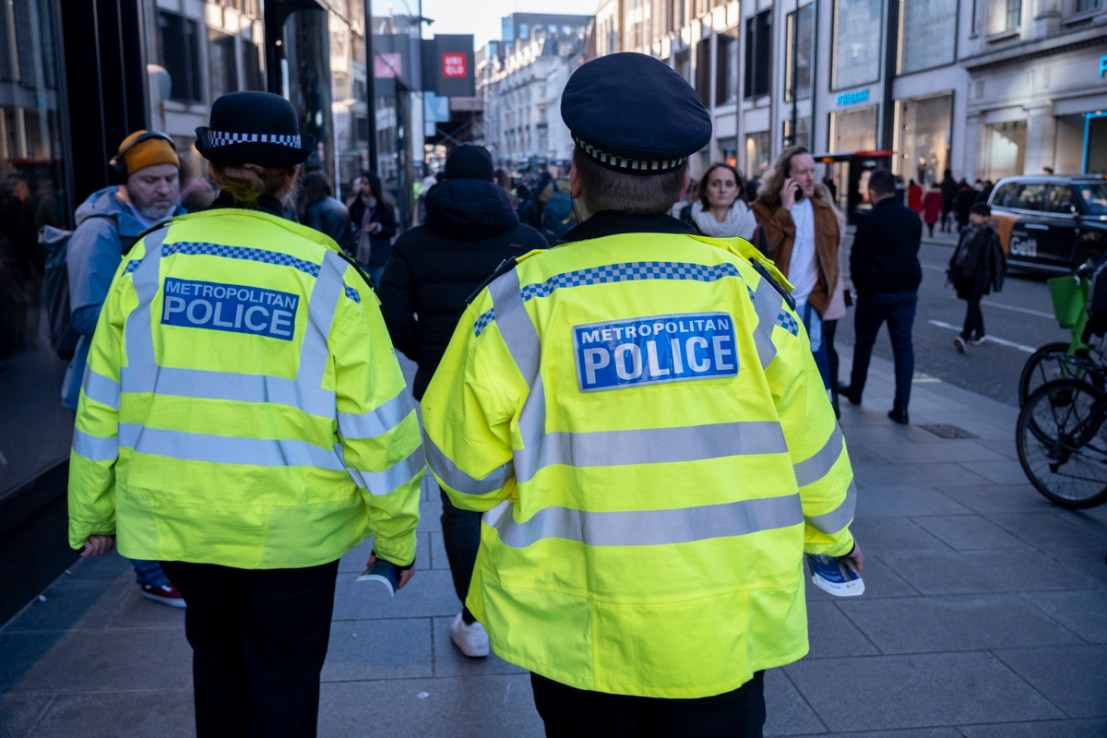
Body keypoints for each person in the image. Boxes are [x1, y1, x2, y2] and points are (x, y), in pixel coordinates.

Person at [421, 52, 861, 737]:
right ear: (683, 182)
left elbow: (463, 473)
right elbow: (813, 443)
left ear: (574, 177)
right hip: (722, 620)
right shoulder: (748, 294)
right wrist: (833, 535)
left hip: (579, 628)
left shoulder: (519, 302)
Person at [67, 91, 424, 737]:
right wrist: (395, 536)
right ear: (290, 176)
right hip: (293, 529)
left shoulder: (148, 259)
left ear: (210, 168)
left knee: (216, 661)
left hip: (181, 518)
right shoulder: (326, 274)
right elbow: (378, 424)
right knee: (284, 676)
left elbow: (101, 401)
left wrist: (92, 511)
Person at [377, 143, 547, 658]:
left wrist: (432, 353)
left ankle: (473, 619)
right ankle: (525, 601)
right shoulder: (528, 241)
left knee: (460, 504)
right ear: (495, 182)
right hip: (522, 387)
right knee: (523, 493)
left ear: (443, 182)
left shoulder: (413, 244)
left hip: (445, 391)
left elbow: (390, 317)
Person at [64, 130, 187, 607]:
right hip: (113, 382)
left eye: (170, 178)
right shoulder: (98, 231)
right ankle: (152, 574)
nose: (163, 189)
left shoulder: (179, 221)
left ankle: (165, 565)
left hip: (163, 378)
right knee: (133, 478)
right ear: (125, 180)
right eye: (150, 180)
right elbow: (85, 315)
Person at [750, 146, 842, 390]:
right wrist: (785, 209)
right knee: (778, 369)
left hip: (810, 303)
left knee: (814, 370)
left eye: (812, 171)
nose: (810, 178)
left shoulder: (823, 211)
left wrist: (818, 299)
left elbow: (831, 261)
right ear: (786, 177)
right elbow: (762, 248)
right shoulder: (761, 209)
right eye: (803, 172)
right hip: (776, 303)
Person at [839, 169, 923, 425]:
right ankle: (902, 406)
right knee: (903, 348)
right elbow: (914, 249)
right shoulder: (912, 217)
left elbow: (857, 258)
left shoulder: (869, 219)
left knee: (864, 343)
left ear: (873, 192)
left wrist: (861, 285)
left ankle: (856, 390)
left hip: (874, 293)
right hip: (905, 291)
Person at [948, 203, 1004, 352]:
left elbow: (996, 259)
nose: (973, 217)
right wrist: (951, 272)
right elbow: (958, 253)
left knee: (973, 303)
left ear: (985, 218)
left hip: (981, 276)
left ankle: (964, 336)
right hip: (966, 273)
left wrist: (996, 280)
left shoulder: (990, 235)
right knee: (972, 302)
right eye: (973, 213)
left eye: (977, 215)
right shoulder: (967, 231)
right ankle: (980, 332)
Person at [679, 162, 757, 240]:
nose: (723, 190)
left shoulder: (749, 219)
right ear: (705, 189)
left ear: (737, 190)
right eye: (715, 184)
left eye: (729, 184)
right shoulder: (688, 216)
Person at [347, 171, 397, 285]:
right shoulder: (356, 206)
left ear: (373, 185)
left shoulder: (385, 207)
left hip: (379, 256)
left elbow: (392, 230)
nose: (363, 186)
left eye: (366, 183)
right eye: (362, 183)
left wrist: (379, 228)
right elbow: (351, 225)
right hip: (360, 255)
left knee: (379, 287)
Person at [298, 170, 355, 257]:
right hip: (343, 254)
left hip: (326, 255)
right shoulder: (339, 204)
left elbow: (316, 237)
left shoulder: (314, 208)